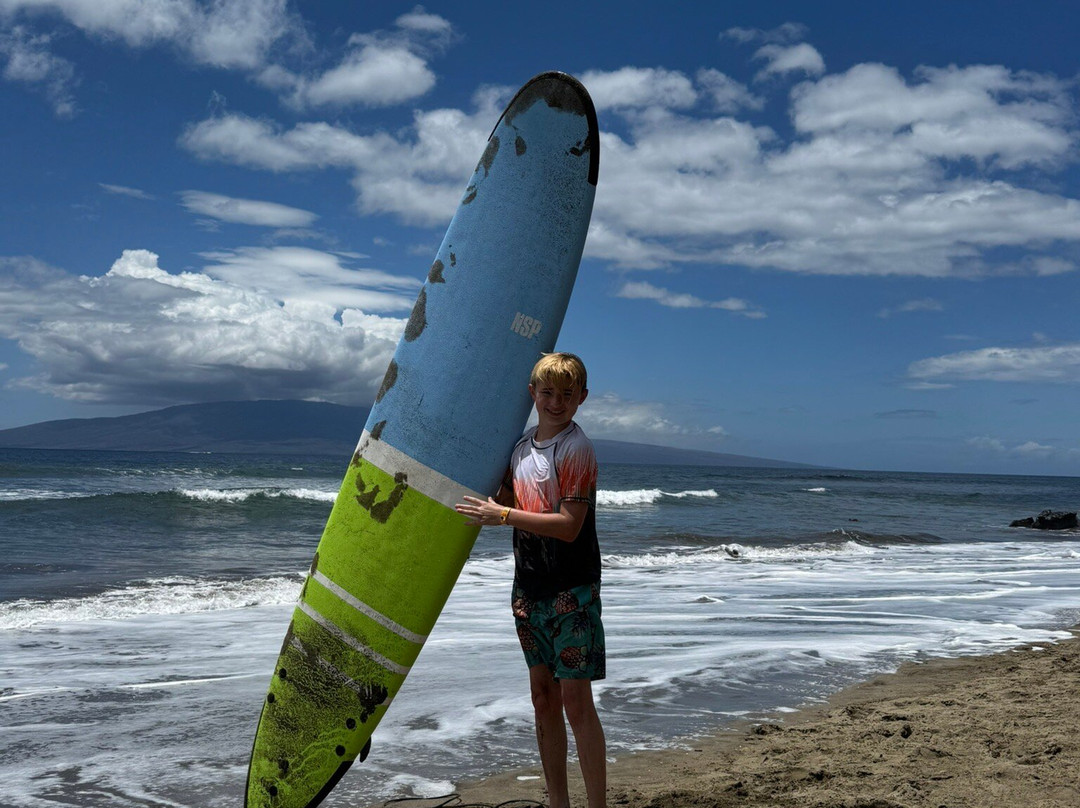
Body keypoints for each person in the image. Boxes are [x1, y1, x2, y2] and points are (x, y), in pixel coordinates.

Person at [456, 352, 606, 808]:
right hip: (529, 590)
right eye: (547, 392)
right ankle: (558, 802)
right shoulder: (521, 447)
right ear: (532, 394)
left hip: (572, 590)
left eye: (566, 394)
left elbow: (569, 524)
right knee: (543, 697)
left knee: (576, 703)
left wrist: (501, 515)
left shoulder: (576, 450)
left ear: (581, 398)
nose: (555, 402)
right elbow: (504, 495)